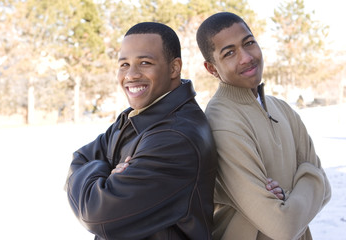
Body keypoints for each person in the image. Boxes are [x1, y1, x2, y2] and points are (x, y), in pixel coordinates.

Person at [65, 22, 217, 240]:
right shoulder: (136, 116)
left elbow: (96, 214)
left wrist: (100, 176)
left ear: (174, 68)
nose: (131, 75)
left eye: (145, 63)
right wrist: (105, 175)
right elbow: (80, 157)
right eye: (124, 64)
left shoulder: (176, 137)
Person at [196, 12, 331, 240]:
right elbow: (282, 227)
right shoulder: (222, 121)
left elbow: (326, 188)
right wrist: (307, 183)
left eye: (249, 43)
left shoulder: (283, 109)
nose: (246, 57)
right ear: (212, 68)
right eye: (229, 53)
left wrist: (286, 197)